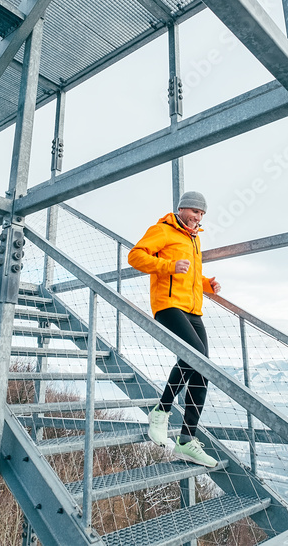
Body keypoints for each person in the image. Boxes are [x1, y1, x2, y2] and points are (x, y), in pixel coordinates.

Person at [127, 191, 221, 467]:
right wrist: (167, 265)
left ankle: (186, 440)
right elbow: (135, 256)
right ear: (182, 209)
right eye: (195, 212)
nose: (198, 217)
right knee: (195, 356)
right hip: (168, 305)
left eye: (202, 214)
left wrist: (207, 284)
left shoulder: (193, 239)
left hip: (193, 308)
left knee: (202, 366)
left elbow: (189, 272)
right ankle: (162, 410)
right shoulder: (163, 230)